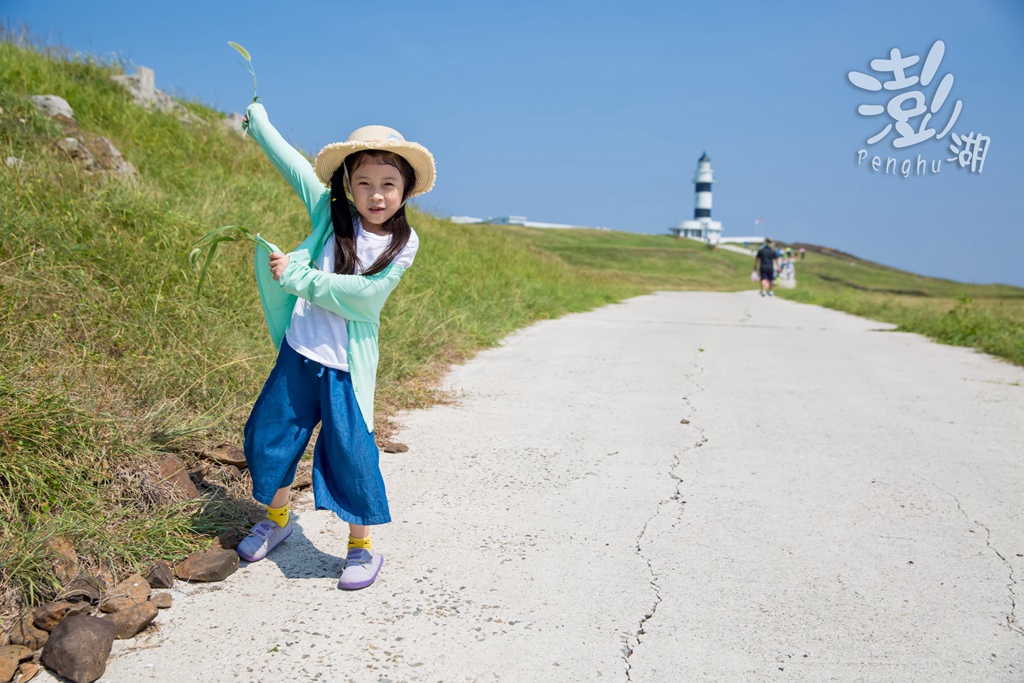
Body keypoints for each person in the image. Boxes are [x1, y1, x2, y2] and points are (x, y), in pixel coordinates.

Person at [235, 102, 435, 590]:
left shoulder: (402, 243)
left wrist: (298, 277)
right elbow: (296, 167)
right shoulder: (331, 215)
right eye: (363, 182)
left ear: (406, 188)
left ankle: (361, 547)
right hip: (299, 354)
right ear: (348, 183)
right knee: (269, 435)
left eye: (388, 184)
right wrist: (260, 125)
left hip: (346, 368)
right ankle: (278, 520)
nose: (376, 194)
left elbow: (364, 297)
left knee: (351, 454)